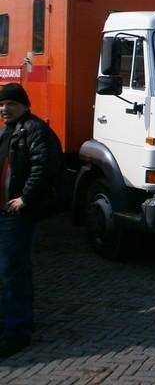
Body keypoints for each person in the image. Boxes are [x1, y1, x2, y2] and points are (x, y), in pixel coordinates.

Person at [0, 83, 62, 357]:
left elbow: (44, 166)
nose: (5, 109)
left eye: (11, 104)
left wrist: (25, 198)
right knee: (11, 270)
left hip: (16, 214)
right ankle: (15, 322)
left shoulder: (34, 130)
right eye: (2, 105)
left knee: (12, 271)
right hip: (5, 211)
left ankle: (16, 332)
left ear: (24, 105)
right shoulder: (8, 131)